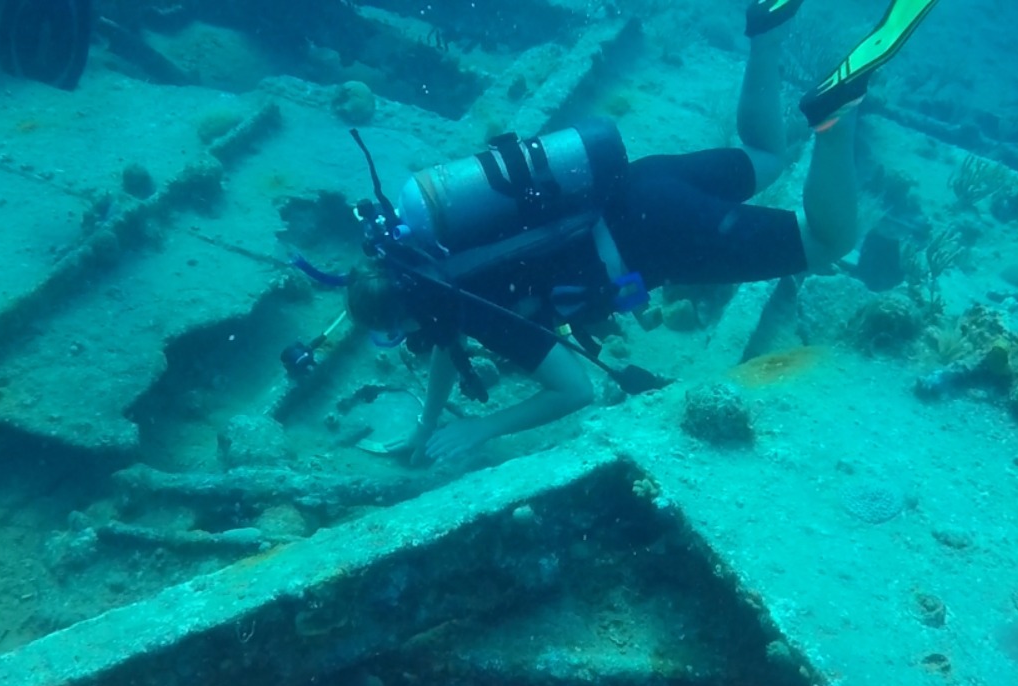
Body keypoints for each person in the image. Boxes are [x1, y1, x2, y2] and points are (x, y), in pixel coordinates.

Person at [341, 0, 939, 463]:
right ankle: (768, 28)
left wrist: (483, 428)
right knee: (767, 155)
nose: (408, 339)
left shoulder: (474, 306)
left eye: (396, 332)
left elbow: (573, 390)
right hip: (641, 184)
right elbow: (448, 340)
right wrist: (426, 423)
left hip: (662, 236)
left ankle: (837, 117)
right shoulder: (439, 258)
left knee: (827, 242)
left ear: (407, 313)